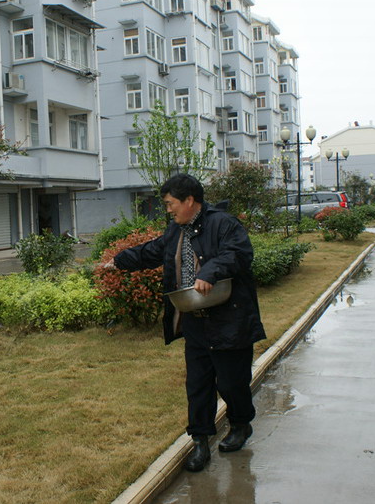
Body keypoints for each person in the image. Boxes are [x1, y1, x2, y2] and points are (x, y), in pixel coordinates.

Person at [104, 174, 265, 472]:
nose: (168, 209)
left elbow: (238, 254)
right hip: (195, 322)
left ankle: (241, 424)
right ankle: (200, 441)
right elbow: (154, 250)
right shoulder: (176, 230)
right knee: (198, 386)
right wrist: (121, 260)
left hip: (229, 321)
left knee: (231, 383)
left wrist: (210, 272)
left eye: (170, 203)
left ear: (190, 200)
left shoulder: (224, 224)